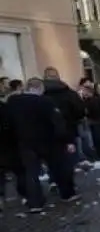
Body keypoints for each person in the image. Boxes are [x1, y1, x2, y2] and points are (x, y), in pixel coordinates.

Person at [4, 77, 79, 211]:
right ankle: (67, 194)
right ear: (39, 88)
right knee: (59, 167)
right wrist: (67, 140)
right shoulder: (45, 101)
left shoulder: (13, 102)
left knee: (31, 172)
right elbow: (58, 122)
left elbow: (8, 124)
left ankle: (35, 202)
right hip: (48, 141)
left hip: (25, 142)